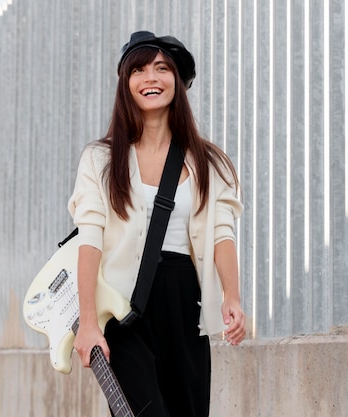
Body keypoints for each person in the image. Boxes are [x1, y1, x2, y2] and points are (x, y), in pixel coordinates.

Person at [68, 31, 246, 417]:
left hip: (185, 303)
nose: (151, 77)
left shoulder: (209, 162)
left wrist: (231, 295)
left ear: (177, 82)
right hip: (124, 308)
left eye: (162, 68)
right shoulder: (100, 160)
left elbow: (221, 233)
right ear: (126, 83)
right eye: (140, 70)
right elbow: (90, 239)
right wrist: (87, 322)